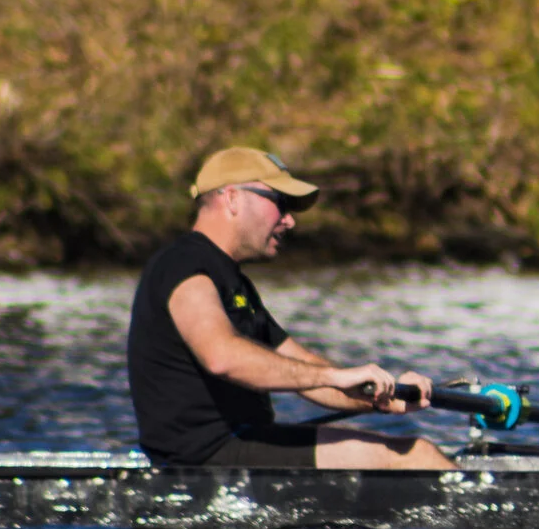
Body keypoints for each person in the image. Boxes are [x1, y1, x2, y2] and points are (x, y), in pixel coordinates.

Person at [127, 147, 454, 469]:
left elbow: (303, 368)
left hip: (243, 445)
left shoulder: (235, 283)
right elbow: (222, 357)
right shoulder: (183, 265)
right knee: (416, 455)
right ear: (232, 198)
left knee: (385, 458)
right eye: (280, 204)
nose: (290, 221)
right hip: (205, 457)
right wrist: (335, 376)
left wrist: (382, 397)